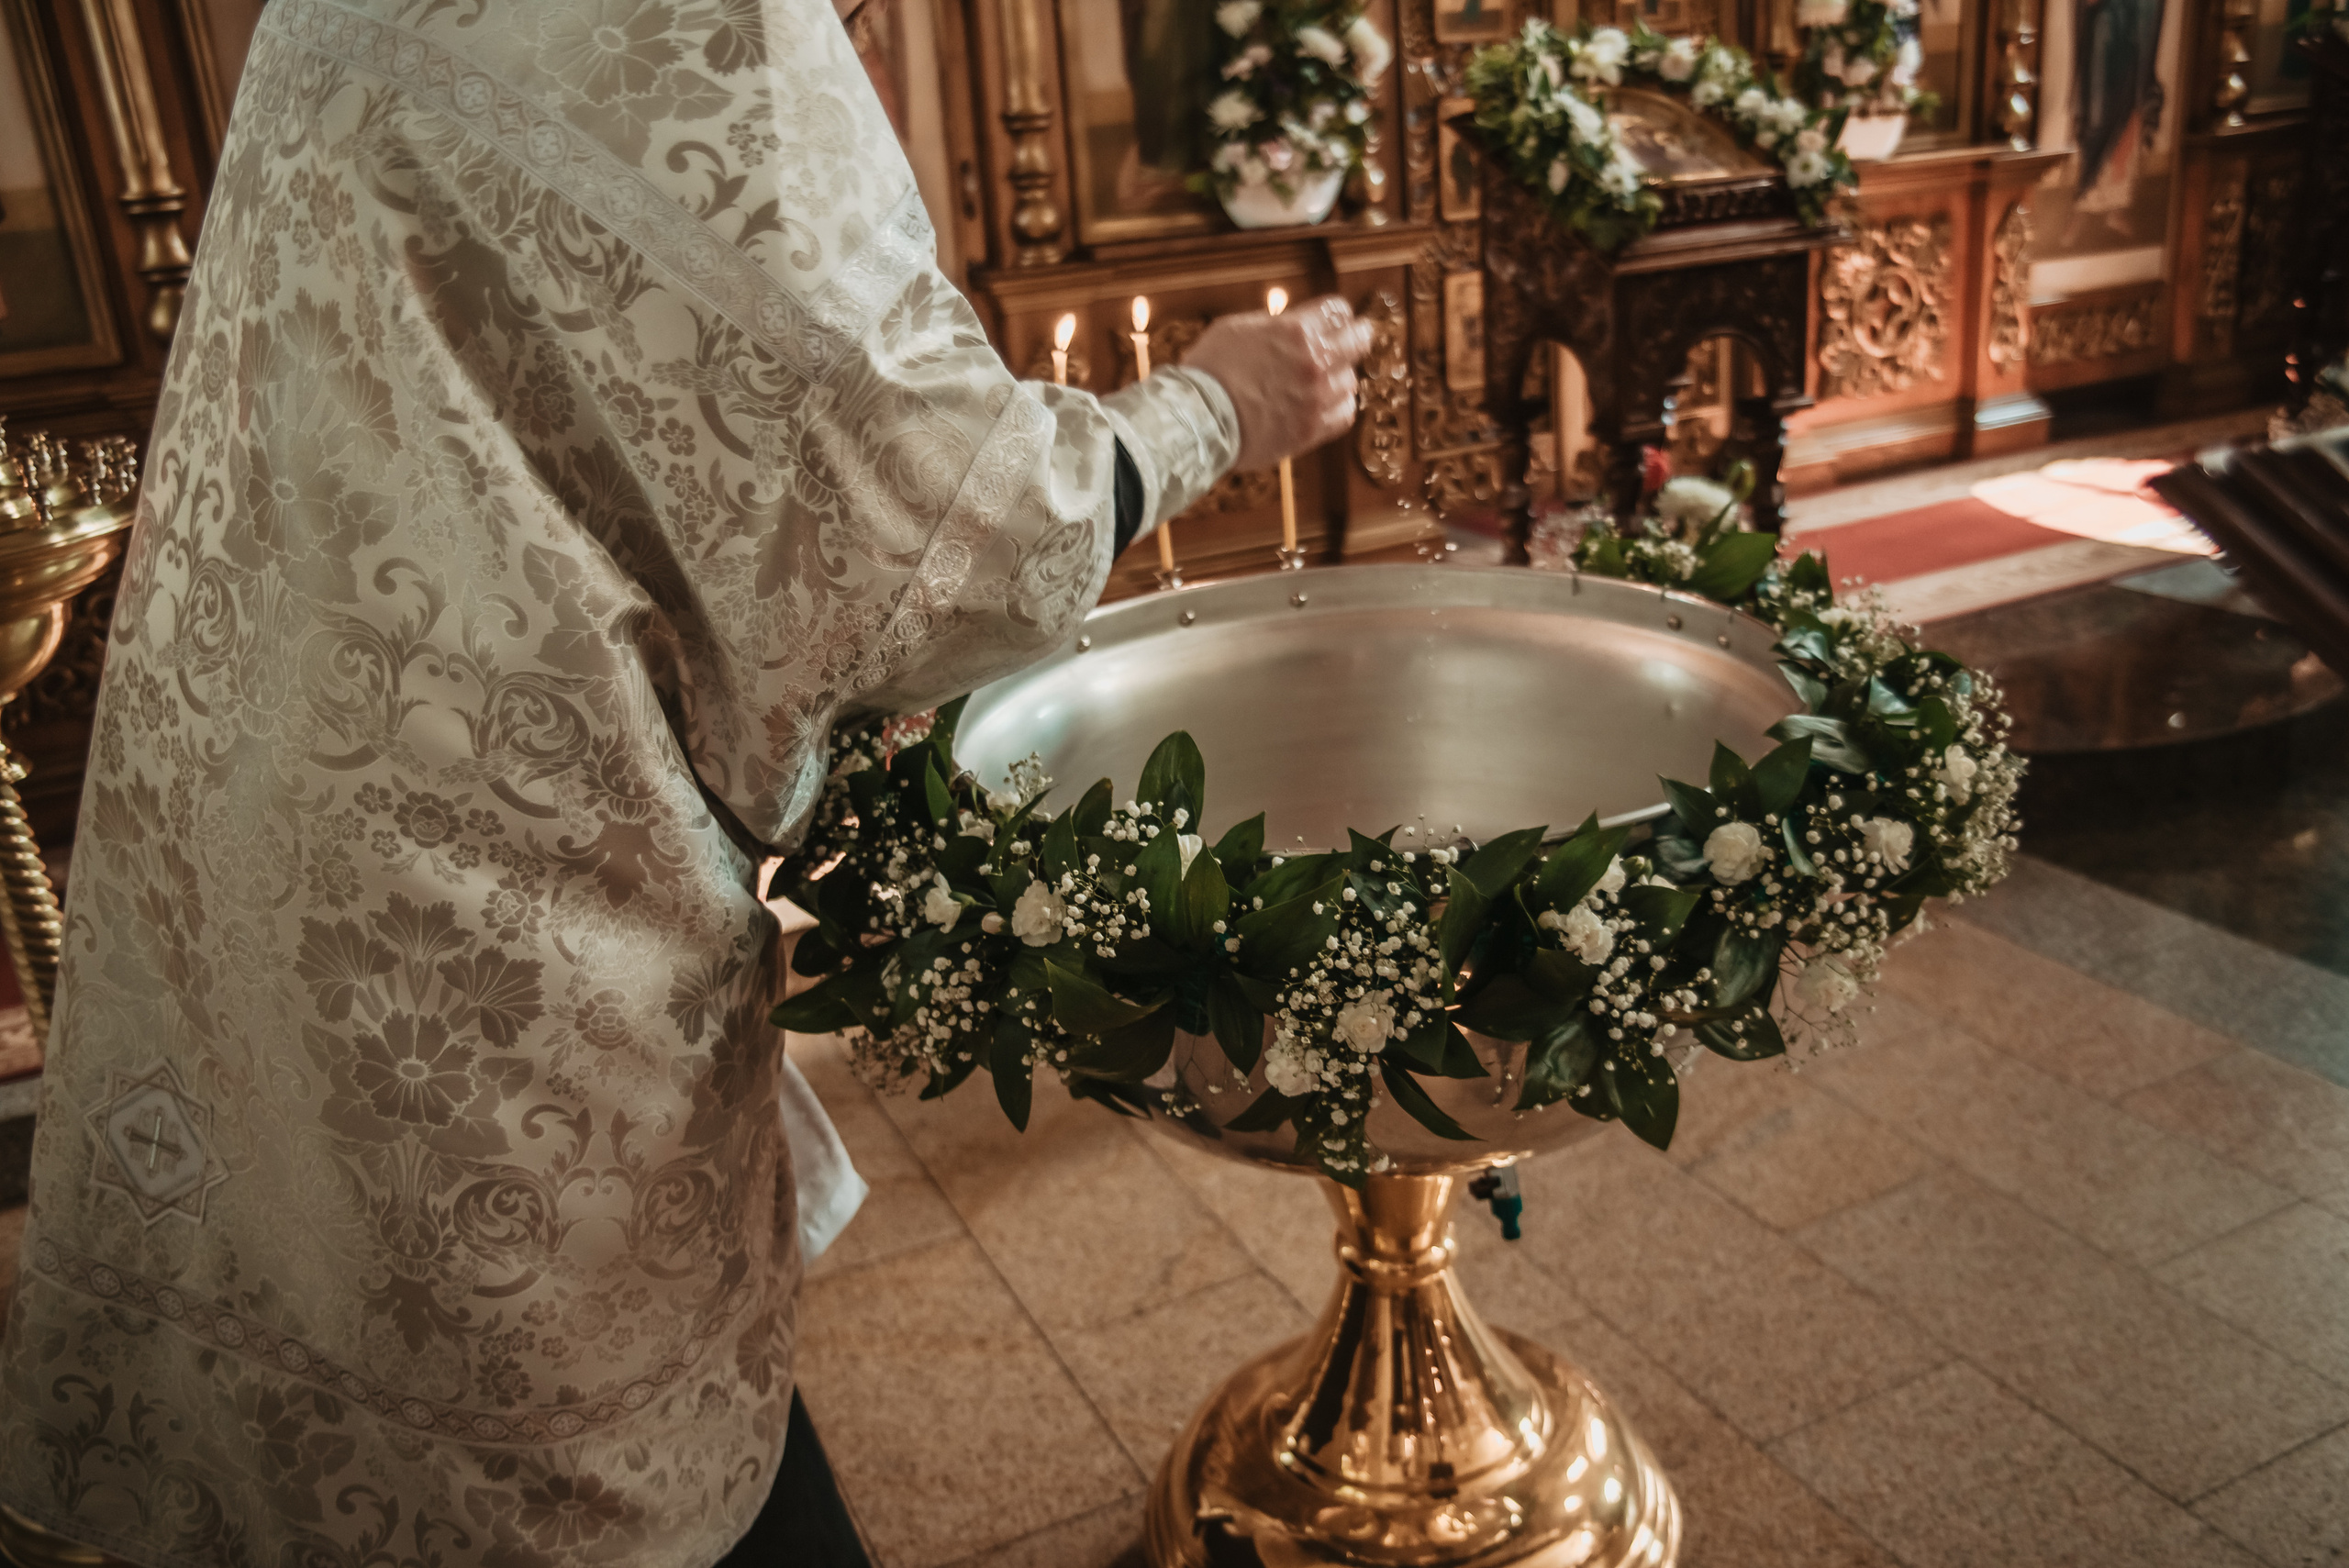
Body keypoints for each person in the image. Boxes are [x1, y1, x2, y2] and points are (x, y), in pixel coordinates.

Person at [0, 0, 1369, 1561]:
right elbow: (941, 521)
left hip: (243, 832)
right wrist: (1215, 405)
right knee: (578, 1468)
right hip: (486, 933)